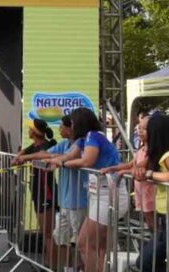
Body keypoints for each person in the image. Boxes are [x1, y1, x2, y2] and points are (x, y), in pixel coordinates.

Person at [48, 107, 129, 272]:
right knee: (98, 245)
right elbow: (70, 156)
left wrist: (62, 163)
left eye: (72, 123)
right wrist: (59, 160)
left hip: (109, 193)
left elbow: (87, 161)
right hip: (100, 193)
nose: (70, 127)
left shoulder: (93, 136)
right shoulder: (85, 139)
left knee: (85, 243)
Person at [15, 116, 87, 272]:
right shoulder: (61, 144)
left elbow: (62, 157)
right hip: (64, 201)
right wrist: (25, 156)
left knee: (78, 241)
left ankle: (63, 267)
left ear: (70, 129)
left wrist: (57, 160)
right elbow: (41, 155)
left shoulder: (79, 144)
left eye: (61, 126)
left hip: (67, 199)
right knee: (59, 236)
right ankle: (63, 268)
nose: (59, 129)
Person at [102, 111, 154, 231]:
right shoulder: (141, 149)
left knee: (152, 222)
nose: (140, 131)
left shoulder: (151, 151)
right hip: (140, 191)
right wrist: (113, 168)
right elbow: (130, 164)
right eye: (139, 128)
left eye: (144, 129)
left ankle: (157, 245)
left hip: (148, 191)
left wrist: (122, 172)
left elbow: (137, 166)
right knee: (148, 220)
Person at [16, 119, 58, 267]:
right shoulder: (34, 146)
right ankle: (48, 264)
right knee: (45, 232)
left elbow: (43, 155)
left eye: (29, 129)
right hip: (37, 192)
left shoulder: (48, 145)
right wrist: (20, 155)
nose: (28, 131)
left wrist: (24, 157)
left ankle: (52, 266)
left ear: (34, 132)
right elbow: (19, 157)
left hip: (46, 192)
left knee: (48, 233)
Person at [133, 113, 169, 272]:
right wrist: (140, 169)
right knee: (147, 261)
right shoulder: (157, 153)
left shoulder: (167, 155)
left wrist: (150, 174)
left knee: (147, 261)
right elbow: (138, 166)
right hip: (163, 216)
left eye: (148, 130)